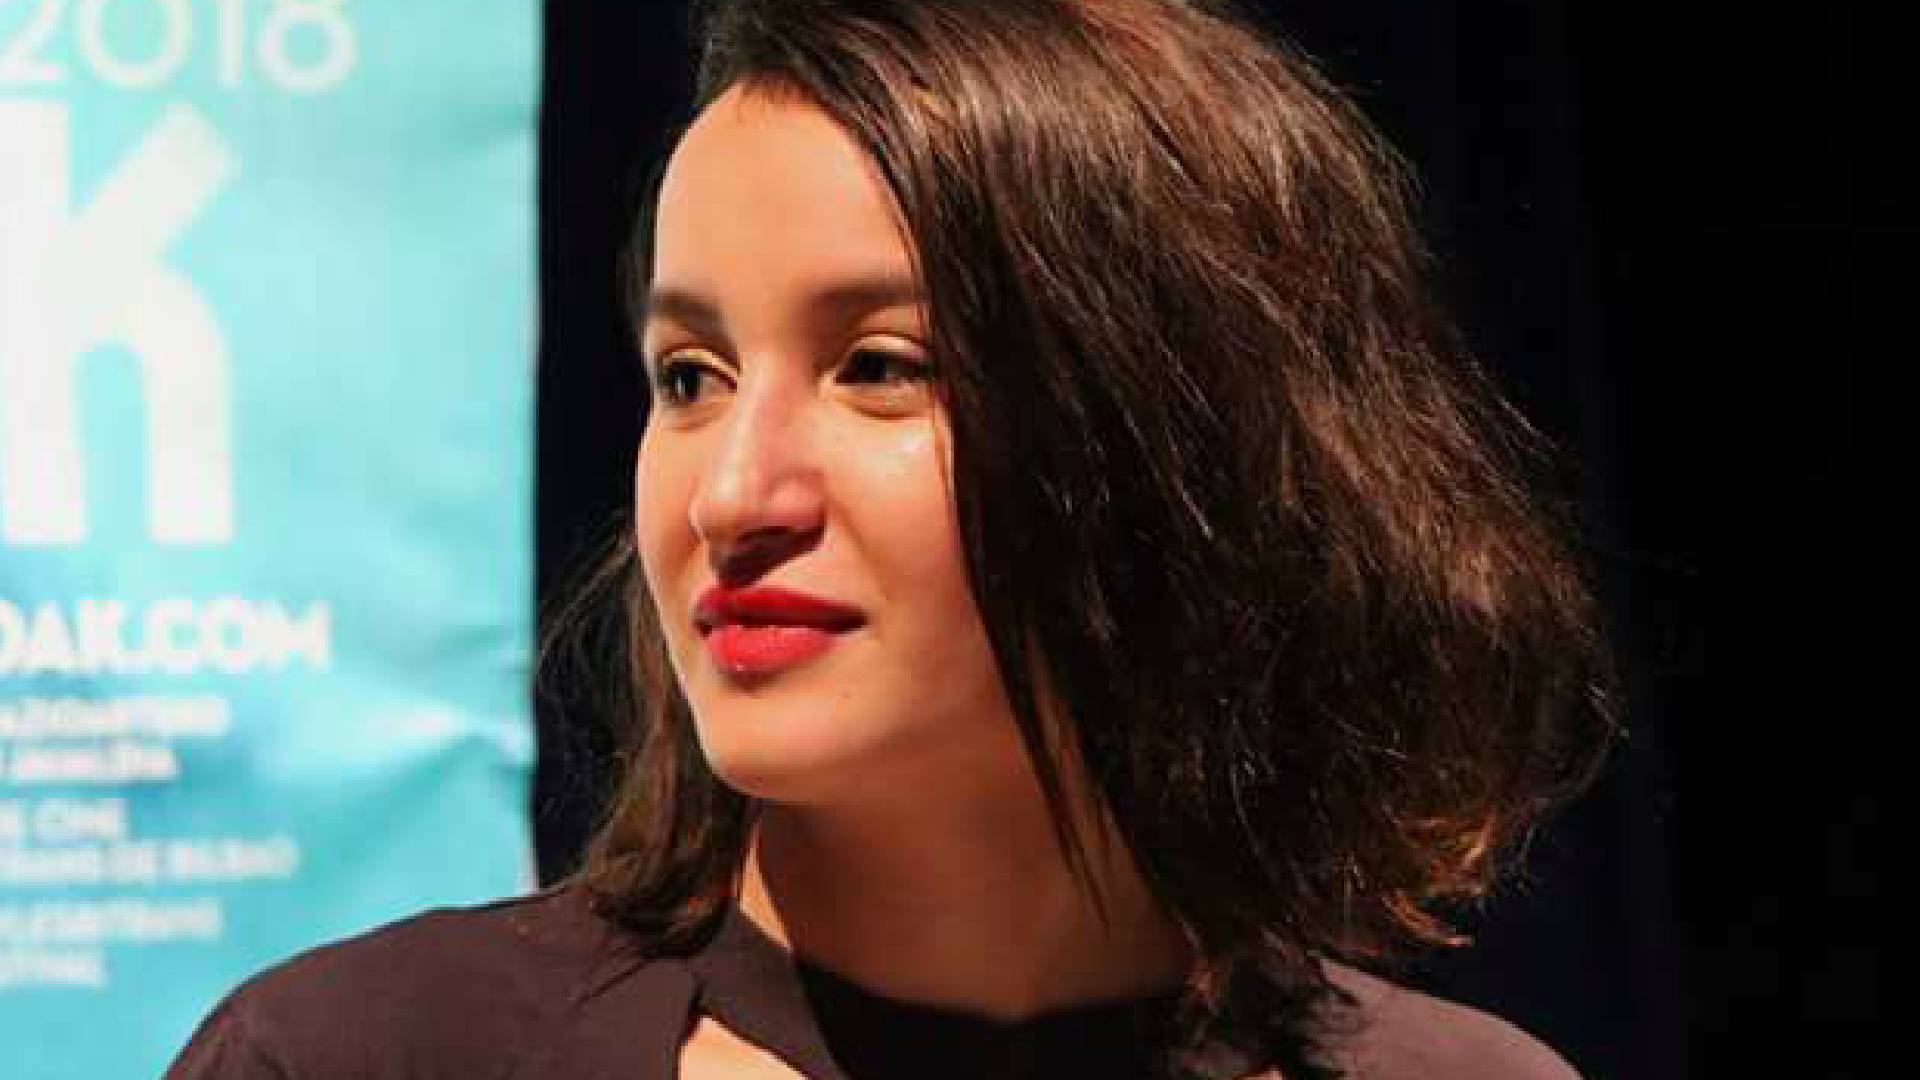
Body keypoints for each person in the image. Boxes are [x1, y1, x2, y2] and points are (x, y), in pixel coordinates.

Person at [166, 0, 1614, 1077]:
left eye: (878, 367)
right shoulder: (357, 1058)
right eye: (690, 377)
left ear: (1183, 438)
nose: (734, 495)